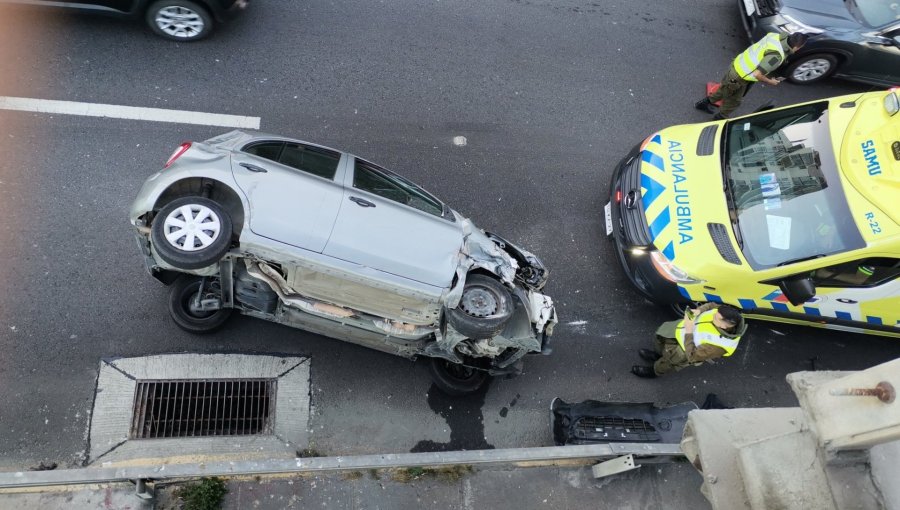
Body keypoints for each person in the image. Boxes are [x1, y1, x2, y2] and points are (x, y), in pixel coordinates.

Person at [695, 32, 808, 120]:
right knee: (734, 101)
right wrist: (770, 82)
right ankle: (720, 119)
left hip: (737, 65)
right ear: (797, 47)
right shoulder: (776, 56)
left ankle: (703, 104)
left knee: (724, 90)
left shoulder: (775, 36)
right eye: (800, 48)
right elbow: (757, 74)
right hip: (740, 77)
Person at [631, 303, 747, 378]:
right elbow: (712, 306)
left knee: (667, 363)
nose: (713, 316)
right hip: (678, 331)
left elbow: (691, 357)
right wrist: (699, 310)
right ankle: (657, 355)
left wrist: (689, 330)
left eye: (716, 318)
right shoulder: (726, 313)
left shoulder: (718, 346)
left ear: (725, 326)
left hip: (682, 351)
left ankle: (653, 371)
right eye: (715, 314)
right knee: (661, 341)